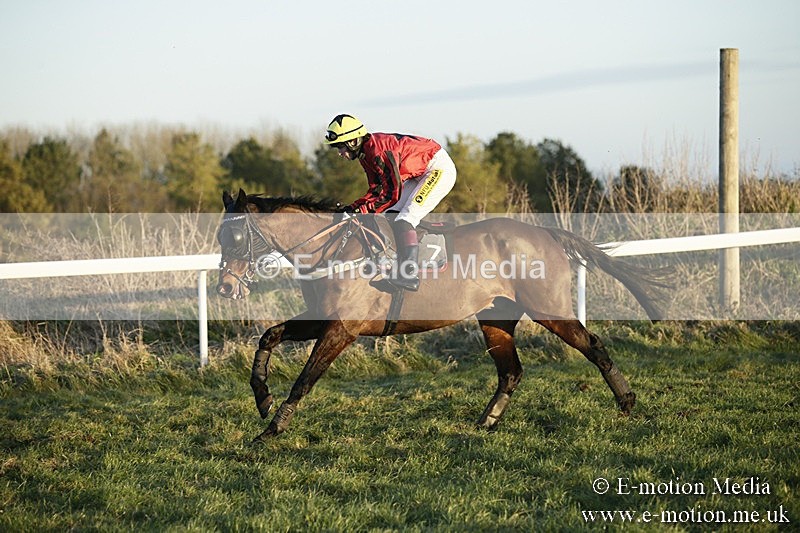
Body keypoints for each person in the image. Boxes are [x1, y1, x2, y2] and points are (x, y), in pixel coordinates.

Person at [324, 113, 457, 291]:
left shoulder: (378, 151)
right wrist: (354, 207)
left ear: (353, 141)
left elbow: (391, 195)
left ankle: (409, 275)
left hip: (437, 169)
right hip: (418, 173)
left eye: (340, 147)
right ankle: (397, 259)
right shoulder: (366, 154)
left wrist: (363, 211)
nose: (339, 153)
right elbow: (376, 190)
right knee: (390, 215)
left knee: (405, 219)